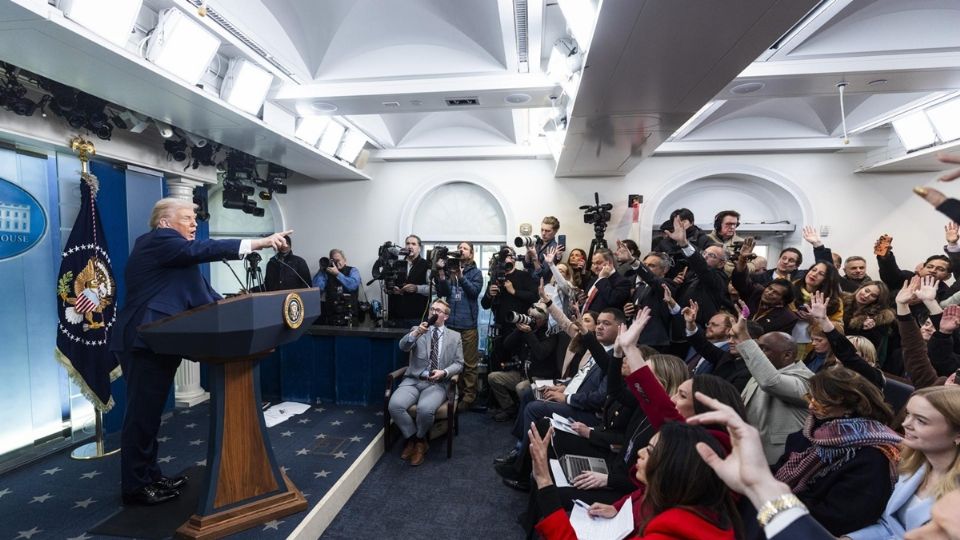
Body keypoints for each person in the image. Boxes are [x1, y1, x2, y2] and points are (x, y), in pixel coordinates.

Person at [111, 197, 291, 505]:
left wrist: (241, 310)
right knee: (142, 416)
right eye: (187, 218)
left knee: (151, 416)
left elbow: (205, 297)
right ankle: (136, 487)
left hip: (161, 342)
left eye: (195, 218)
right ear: (165, 223)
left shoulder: (178, 258)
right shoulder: (158, 241)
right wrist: (258, 242)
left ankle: (150, 476)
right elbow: (203, 250)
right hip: (142, 341)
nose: (194, 223)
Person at [531, 422, 741, 539]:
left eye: (650, 451)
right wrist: (618, 508)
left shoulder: (668, 533)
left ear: (674, 469)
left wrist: (544, 481)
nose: (640, 452)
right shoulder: (687, 503)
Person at [773, 367, 901, 536]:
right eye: (810, 397)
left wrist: (775, 501)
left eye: (821, 402)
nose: (811, 405)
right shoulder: (813, 431)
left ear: (848, 406)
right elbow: (781, 468)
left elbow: (842, 516)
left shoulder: (872, 455)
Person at [845, 385, 960, 539]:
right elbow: (889, 525)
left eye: (921, 420)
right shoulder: (912, 467)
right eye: (908, 414)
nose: (906, 424)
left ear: (957, 435)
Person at [388, 299, 464, 466]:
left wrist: (444, 372)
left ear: (446, 316)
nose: (434, 312)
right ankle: (416, 440)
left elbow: (459, 364)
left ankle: (419, 439)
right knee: (395, 405)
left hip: (437, 383)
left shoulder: (455, 336)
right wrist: (416, 334)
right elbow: (403, 347)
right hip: (414, 380)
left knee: (425, 409)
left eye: (438, 310)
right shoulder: (418, 330)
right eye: (432, 309)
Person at [433, 241, 483, 409]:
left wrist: (461, 277)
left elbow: (474, 292)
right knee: (452, 362)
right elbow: (444, 293)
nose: (461, 250)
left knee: (469, 364)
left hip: (468, 325)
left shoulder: (476, 273)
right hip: (450, 325)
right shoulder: (449, 270)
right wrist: (441, 272)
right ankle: (454, 394)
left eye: (465, 248)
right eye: (459, 247)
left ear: (471, 253)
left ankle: (469, 398)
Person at [387, 235, 431, 328]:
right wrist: (391, 289)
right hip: (396, 316)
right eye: (407, 244)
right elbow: (387, 285)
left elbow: (433, 289)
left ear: (419, 248)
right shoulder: (396, 264)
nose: (410, 246)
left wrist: (417, 288)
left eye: (413, 244)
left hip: (417, 317)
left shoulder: (426, 265)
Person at [312, 249, 362, 324]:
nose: (336, 263)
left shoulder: (353, 270)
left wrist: (337, 274)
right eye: (333, 261)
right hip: (331, 316)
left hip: (350, 316)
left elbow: (353, 285)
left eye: (338, 260)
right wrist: (322, 270)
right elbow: (316, 290)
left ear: (345, 260)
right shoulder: (326, 273)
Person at [580, 248, 631, 314]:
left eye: (598, 263)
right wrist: (581, 302)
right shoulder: (594, 279)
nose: (595, 267)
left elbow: (613, 301)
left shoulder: (623, 282)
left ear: (609, 262)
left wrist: (602, 279)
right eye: (593, 263)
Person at [525, 216, 561, 283]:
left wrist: (534, 258)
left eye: (547, 231)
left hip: (542, 286)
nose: (543, 233)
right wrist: (527, 254)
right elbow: (527, 265)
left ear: (555, 231)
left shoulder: (554, 248)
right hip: (529, 282)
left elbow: (543, 274)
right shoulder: (537, 243)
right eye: (542, 230)